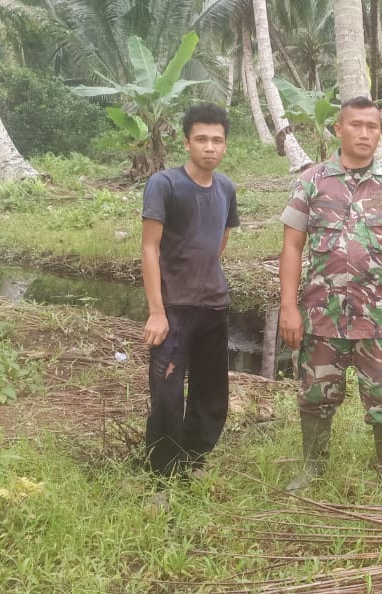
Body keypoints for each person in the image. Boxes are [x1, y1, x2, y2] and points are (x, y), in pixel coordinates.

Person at [277, 96, 382, 491]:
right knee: (315, 396)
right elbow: (292, 247)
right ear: (338, 129)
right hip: (321, 315)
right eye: (357, 125)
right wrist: (288, 308)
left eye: (373, 127)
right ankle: (312, 468)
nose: (365, 133)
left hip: (380, 318)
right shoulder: (311, 182)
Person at [140, 103, 239, 478]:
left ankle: (194, 458)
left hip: (214, 305)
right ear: (186, 143)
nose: (209, 147)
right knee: (166, 394)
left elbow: (219, 243)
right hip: (173, 308)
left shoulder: (227, 188)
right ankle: (161, 475)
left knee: (211, 392)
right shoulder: (164, 185)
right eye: (201, 139)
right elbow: (149, 248)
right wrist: (156, 311)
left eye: (217, 140)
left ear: (225, 145)